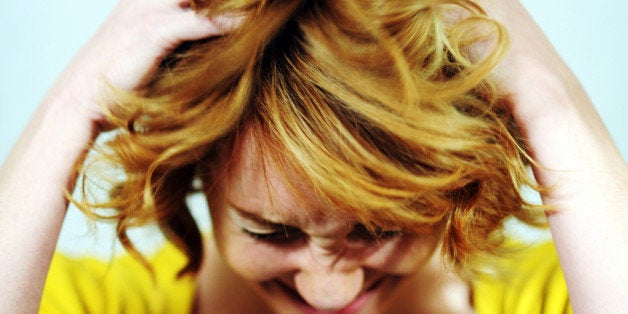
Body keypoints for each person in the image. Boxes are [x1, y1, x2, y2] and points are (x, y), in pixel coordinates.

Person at [1, 0, 626, 312]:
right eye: (273, 232)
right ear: (200, 176)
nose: (331, 293)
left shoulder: (556, 291)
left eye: (381, 227)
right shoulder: (97, 303)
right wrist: (75, 103)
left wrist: (549, 103)